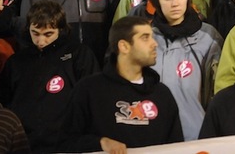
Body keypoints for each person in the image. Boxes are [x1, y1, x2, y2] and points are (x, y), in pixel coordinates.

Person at [59, 16, 184, 151]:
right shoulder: (88, 90)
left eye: (152, 37)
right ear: (124, 46)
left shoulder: (162, 94)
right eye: (145, 37)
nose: (154, 43)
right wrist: (100, 143)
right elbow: (66, 143)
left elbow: (176, 148)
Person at [0, 0, 99, 153]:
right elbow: (3, 102)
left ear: (61, 30)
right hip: (25, 144)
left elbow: (92, 99)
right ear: (28, 28)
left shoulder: (79, 54)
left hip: (67, 144)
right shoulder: (16, 61)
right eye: (35, 33)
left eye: (48, 34)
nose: (41, 41)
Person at [148, 0, 222, 140]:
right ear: (156, 1)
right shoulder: (145, 38)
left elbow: (217, 93)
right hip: (154, 139)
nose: (175, 3)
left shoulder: (208, 37)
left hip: (196, 136)